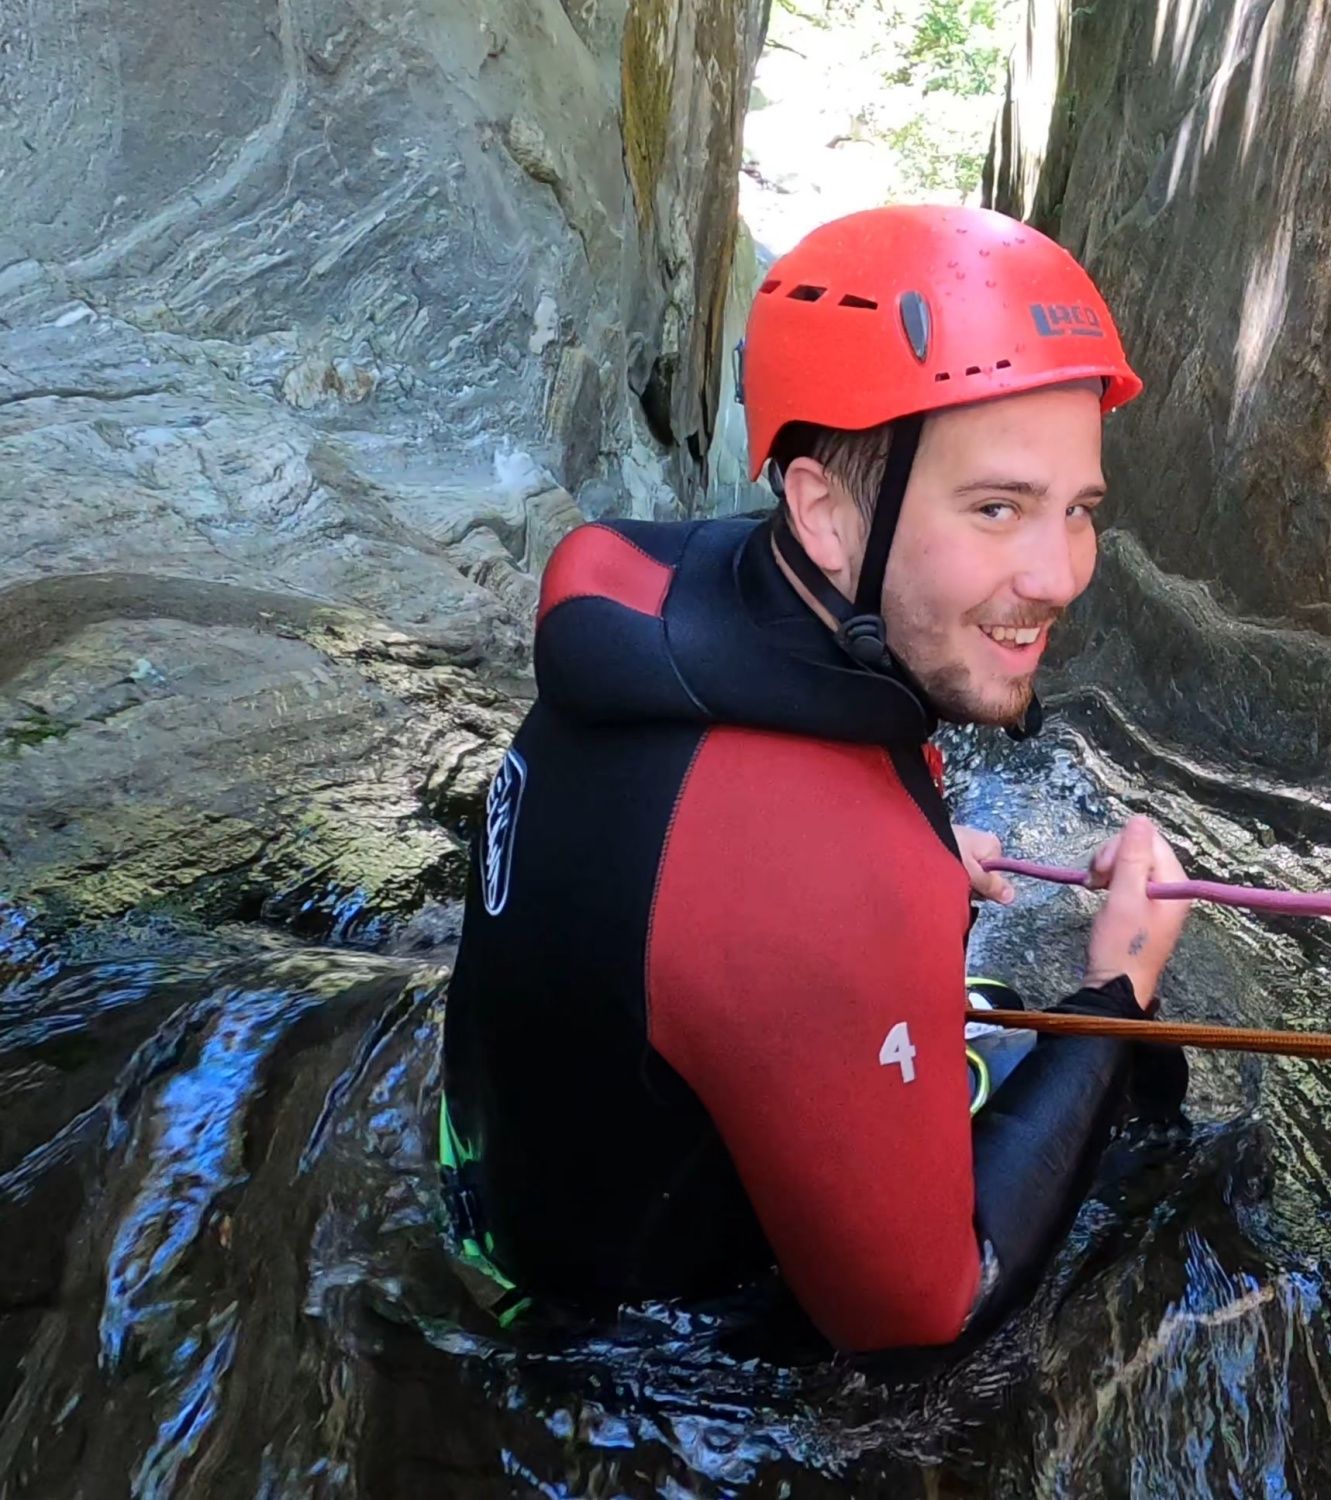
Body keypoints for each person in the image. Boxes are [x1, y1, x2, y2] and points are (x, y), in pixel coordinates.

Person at [439, 204, 1192, 1351]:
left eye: (1077, 511)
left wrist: (908, 858)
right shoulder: (819, 874)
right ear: (824, 513)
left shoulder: (656, 605)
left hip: (503, 1196)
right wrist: (1118, 993)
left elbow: (688, 889)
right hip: (622, 1364)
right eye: (996, 508)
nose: (1057, 575)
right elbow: (927, 1312)